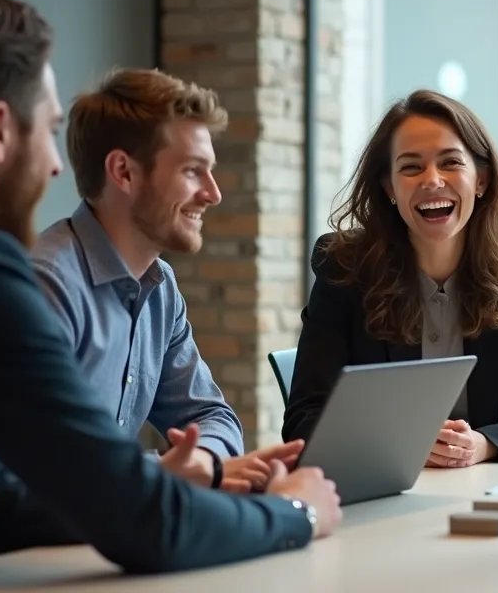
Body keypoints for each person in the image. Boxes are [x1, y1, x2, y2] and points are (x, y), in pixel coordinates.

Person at [0, 0, 341, 586]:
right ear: (0, 129)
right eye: (47, 129)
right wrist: (295, 512)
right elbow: (142, 523)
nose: (54, 164)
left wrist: (172, 478)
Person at [30, 68, 299, 493]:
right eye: (193, 171)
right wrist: (163, 473)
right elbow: (39, 470)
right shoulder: (47, 288)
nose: (213, 193)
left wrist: (202, 462)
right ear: (124, 172)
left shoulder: (159, 287)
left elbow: (213, 417)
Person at [281, 89, 498, 466]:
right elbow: (303, 422)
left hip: (478, 485)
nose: (432, 180)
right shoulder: (344, 267)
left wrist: (483, 444)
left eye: (451, 162)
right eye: (411, 167)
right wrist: (401, 443)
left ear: (481, 180)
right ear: (389, 188)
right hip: (380, 487)